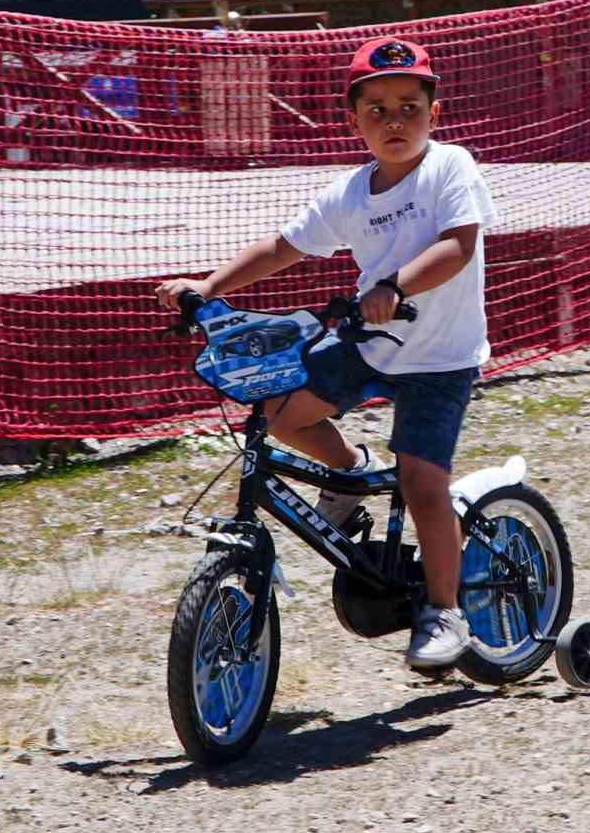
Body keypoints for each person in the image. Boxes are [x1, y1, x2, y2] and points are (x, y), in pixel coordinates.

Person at [155, 36, 496, 670]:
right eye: (376, 110)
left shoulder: (451, 168)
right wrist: (208, 288)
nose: (393, 122)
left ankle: (445, 610)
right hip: (370, 344)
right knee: (283, 412)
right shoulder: (350, 195)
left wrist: (394, 286)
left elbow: (458, 246)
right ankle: (350, 473)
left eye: (408, 107)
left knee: (424, 485)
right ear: (352, 121)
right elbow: (283, 247)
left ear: (435, 113)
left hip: (440, 359)